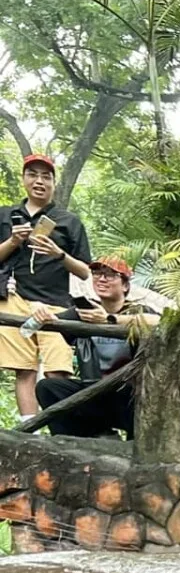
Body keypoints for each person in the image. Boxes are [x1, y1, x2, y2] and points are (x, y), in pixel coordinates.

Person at [0, 153, 93, 418]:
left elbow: (86, 271)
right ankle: (29, 433)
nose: (39, 181)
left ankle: (62, 430)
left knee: (58, 371)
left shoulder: (68, 222)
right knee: (23, 369)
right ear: (24, 180)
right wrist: (13, 242)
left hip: (56, 304)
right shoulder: (5, 215)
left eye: (46, 176)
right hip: (14, 298)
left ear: (54, 182)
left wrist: (58, 254)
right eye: (33, 174)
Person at [32, 254, 157, 440]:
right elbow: (43, 322)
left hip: (130, 395)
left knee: (144, 396)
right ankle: (75, 444)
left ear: (125, 285)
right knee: (48, 387)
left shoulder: (138, 311)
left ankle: (134, 447)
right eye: (97, 274)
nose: (102, 279)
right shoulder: (84, 312)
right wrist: (41, 314)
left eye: (110, 275)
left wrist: (109, 320)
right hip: (94, 391)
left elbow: (158, 321)